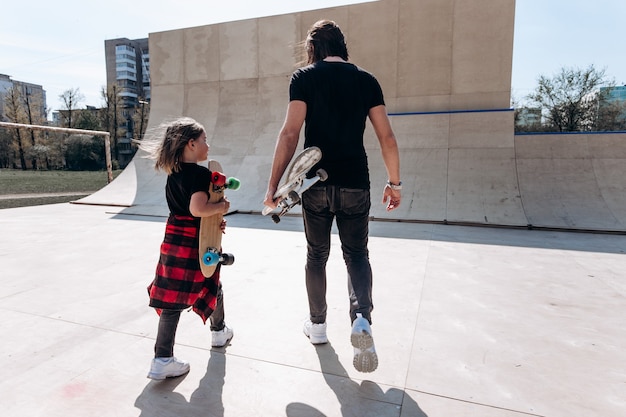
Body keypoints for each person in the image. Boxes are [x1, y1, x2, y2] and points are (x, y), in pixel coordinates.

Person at [264, 20, 401, 373]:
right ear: (343, 45)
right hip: (356, 180)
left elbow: (290, 133)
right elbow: (387, 138)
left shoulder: (304, 78)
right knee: (356, 254)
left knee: (316, 255)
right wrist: (394, 183)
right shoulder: (366, 80)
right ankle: (361, 320)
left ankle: (318, 326)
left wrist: (273, 188)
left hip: (315, 184)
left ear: (314, 48)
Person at [140, 117, 233, 380]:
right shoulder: (201, 175)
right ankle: (218, 332)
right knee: (211, 283)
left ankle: (162, 357)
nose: (208, 144)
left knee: (171, 298)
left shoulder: (174, 174)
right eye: (204, 140)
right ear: (191, 144)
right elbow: (197, 209)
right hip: (195, 242)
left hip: (175, 239)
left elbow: (186, 211)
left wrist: (213, 221)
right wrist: (221, 208)